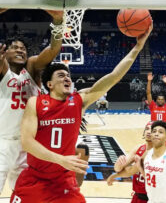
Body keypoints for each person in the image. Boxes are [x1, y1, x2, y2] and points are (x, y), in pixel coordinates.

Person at [10, 24, 153, 203]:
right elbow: (27, 142)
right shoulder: (36, 103)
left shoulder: (79, 100)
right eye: (61, 75)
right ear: (49, 84)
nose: (67, 78)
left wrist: (138, 47)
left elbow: (114, 76)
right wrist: (60, 159)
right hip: (34, 177)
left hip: (62, 179)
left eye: (68, 75)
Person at [0, 8, 65, 203]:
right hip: (1, 145)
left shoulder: (32, 68)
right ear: (4, 54)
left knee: (28, 198)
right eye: (14, 47)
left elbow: (53, 50)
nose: (20, 50)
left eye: (23, 48)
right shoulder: (0, 71)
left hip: (28, 146)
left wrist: (58, 21)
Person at [107, 121, 154, 203]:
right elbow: (118, 168)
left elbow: (130, 171)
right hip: (138, 196)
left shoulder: (155, 152)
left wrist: (113, 176)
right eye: (147, 129)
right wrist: (119, 163)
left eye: (152, 130)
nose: (148, 132)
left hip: (152, 197)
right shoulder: (139, 148)